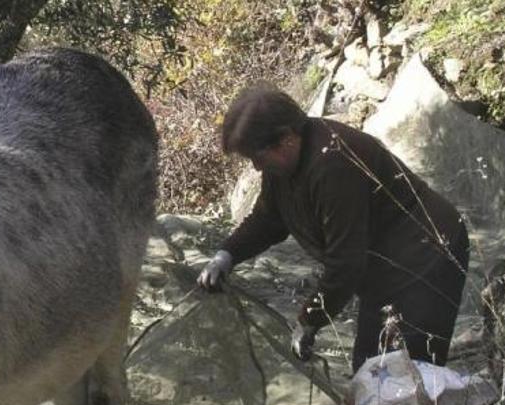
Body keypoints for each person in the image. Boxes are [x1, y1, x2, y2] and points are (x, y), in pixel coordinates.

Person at [198, 86, 469, 372]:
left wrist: (309, 320)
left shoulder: (333, 163)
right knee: (371, 371)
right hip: (383, 269)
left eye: (258, 157)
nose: (255, 167)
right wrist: (227, 254)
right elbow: (268, 218)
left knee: (406, 376)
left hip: (428, 256)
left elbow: (346, 262)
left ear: (287, 139)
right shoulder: (281, 168)